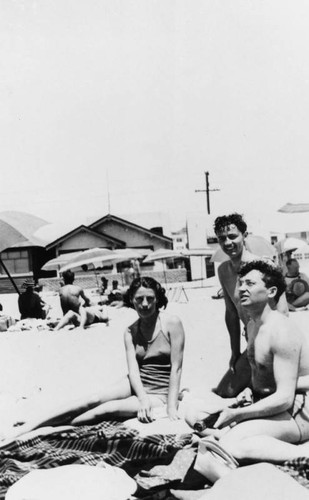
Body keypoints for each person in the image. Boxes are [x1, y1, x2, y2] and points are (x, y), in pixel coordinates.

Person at [6, 277, 185, 442]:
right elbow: (133, 371)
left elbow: (176, 368)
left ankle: (47, 428)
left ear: (157, 299)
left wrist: (171, 407)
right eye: (139, 299)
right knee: (93, 399)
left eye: (150, 298)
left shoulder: (172, 323)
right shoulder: (130, 331)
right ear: (132, 300)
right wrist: (142, 399)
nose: (144, 304)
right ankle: (32, 424)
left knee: (107, 410)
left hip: (160, 391)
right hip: (136, 383)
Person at [207, 260, 309, 464]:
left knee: (232, 444)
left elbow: (285, 397)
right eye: (241, 283)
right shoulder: (253, 326)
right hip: (270, 401)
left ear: (271, 292)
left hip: (300, 407)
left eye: (250, 284)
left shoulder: (281, 331)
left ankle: (303, 455)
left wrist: (239, 413)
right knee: (195, 413)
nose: (242, 288)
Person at [213, 213, 288, 397]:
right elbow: (231, 313)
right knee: (225, 392)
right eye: (222, 238)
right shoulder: (223, 270)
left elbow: (283, 311)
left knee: (267, 393)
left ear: (244, 235)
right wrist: (235, 352)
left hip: (271, 342)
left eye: (233, 236)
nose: (228, 243)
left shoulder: (264, 265)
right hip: (251, 343)